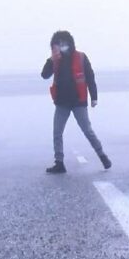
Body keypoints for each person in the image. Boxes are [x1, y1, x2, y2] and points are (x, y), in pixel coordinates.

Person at [41, 30, 111, 173]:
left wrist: (94, 97)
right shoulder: (54, 59)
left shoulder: (81, 57)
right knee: (57, 132)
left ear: (70, 43)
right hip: (61, 103)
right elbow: (44, 75)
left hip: (79, 101)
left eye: (63, 43)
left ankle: (103, 156)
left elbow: (90, 78)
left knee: (88, 131)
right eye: (58, 44)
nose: (61, 46)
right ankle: (59, 163)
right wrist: (52, 60)